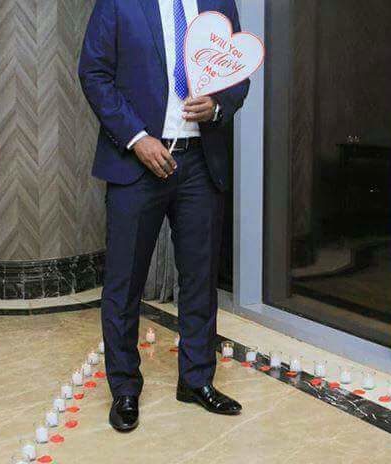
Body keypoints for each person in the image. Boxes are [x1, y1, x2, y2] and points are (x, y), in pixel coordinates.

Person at [78, 0, 250, 432]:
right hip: (137, 162)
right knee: (124, 282)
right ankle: (124, 389)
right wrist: (136, 138)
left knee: (200, 278)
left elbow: (237, 72)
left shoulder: (218, 2)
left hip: (200, 162)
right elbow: (93, 73)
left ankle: (196, 380)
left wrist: (218, 106)